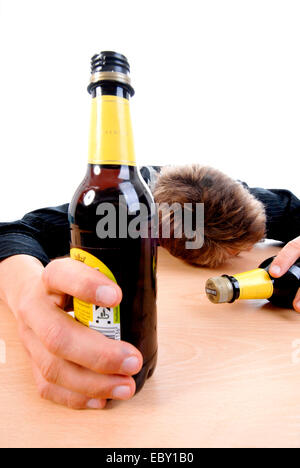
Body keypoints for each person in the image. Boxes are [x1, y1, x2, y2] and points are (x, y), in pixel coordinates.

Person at [0, 164, 299, 410]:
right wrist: (27, 291)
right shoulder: (117, 205)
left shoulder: (243, 201)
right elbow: (16, 230)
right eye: (236, 255)